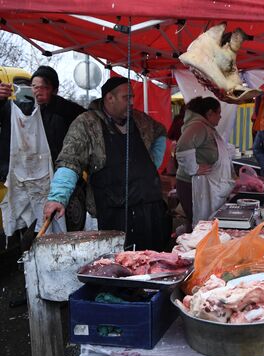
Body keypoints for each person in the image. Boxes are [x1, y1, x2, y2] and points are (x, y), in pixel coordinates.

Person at [43, 76, 170, 251]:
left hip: (149, 210)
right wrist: (58, 197)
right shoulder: (87, 123)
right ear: (110, 98)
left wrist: (154, 161)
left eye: (132, 97)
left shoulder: (140, 120)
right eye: (127, 97)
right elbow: (70, 161)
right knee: (119, 267)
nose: (132, 102)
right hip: (112, 216)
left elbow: (160, 131)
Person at [0, 65, 85, 240]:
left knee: (60, 231)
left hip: (58, 179)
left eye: (44, 87)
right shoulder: (24, 109)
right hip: (28, 181)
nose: (38, 91)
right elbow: (6, 116)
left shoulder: (65, 111)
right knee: (30, 231)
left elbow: (85, 119)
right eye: (34, 87)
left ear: (54, 89)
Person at [175, 96, 234, 229]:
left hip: (202, 184)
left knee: (203, 225)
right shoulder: (198, 126)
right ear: (209, 113)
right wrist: (194, 168)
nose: (220, 117)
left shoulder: (206, 127)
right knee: (199, 225)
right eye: (218, 113)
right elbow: (182, 146)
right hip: (192, 184)